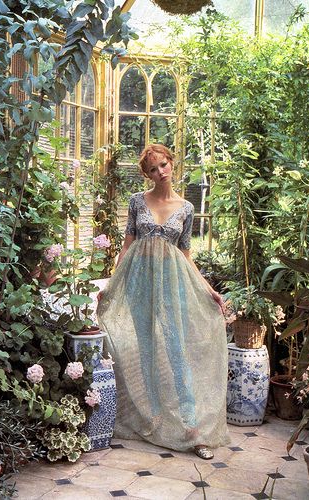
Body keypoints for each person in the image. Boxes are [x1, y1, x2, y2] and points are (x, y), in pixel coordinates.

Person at [97, 144, 230, 459]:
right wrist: (112, 283)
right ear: (147, 174)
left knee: (176, 350)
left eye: (163, 165)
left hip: (173, 286)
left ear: (172, 163)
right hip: (138, 285)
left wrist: (209, 289)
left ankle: (193, 429)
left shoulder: (185, 207)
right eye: (153, 169)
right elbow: (128, 243)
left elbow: (185, 254)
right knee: (146, 352)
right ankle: (153, 419)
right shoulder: (136, 202)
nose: (160, 172)